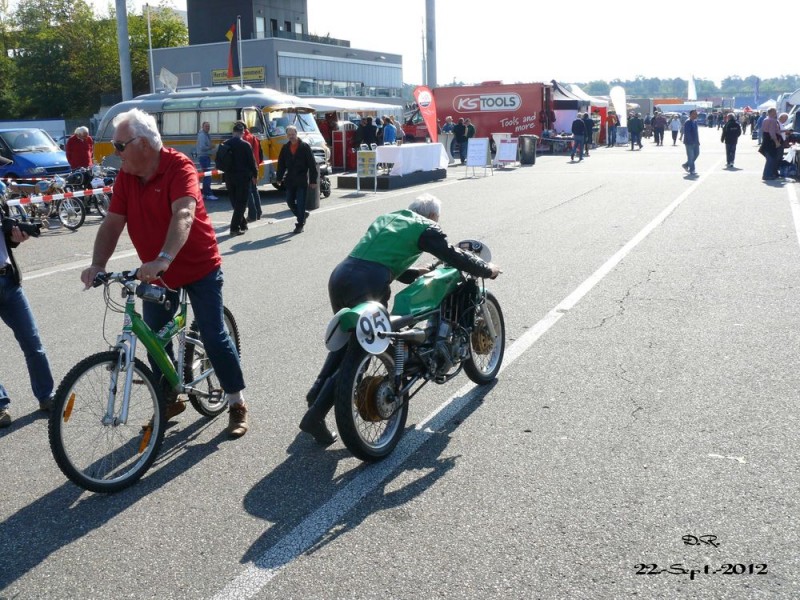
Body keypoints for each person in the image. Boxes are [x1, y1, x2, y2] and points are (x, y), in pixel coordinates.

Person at [79, 108, 249, 437]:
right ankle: (169, 397)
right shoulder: (128, 177)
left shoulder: (178, 167)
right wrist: (98, 264)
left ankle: (236, 402)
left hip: (197, 265)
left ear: (142, 144)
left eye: (118, 146)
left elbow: (184, 213)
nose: (114, 152)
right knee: (154, 336)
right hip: (156, 272)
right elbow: (113, 222)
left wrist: (163, 258)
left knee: (213, 335)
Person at [299, 194, 502, 445]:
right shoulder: (427, 228)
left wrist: (418, 271)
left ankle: (316, 393)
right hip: (368, 284)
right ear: (432, 217)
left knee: (351, 341)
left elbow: (378, 260)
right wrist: (486, 269)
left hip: (341, 277)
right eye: (437, 220)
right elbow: (453, 256)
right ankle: (316, 414)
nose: (438, 224)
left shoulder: (391, 219)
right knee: (365, 348)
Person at [0, 200, 54, 427]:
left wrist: (16, 235)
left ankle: (46, 396)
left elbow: (7, 242)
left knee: (33, 343)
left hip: (7, 281)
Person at [276, 125, 318, 234]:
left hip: (301, 179)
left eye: (293, 134)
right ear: (287, 135)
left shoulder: (304, 147)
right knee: (289, 201)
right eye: (289, 135)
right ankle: (302, 214)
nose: (291, 136)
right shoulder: (285, 148)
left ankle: (300, 224)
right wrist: (279, 178)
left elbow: (312, 164)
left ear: (296, 134)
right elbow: (281, 165)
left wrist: (313, 180)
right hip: (290, 180)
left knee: (301, 203)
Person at [222, 122, 259, 236]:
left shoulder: (225, 144)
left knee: (234, 202)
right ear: (242, 133)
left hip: (229, 177)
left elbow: (220, 161)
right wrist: (255, 175)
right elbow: (252, 162)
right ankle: (234, 228)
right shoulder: (246, 145)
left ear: (233, 132)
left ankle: (242, 223)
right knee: (241, 202)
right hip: (243, 177)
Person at [235, 120, 262, 222]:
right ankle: (258, 212)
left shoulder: (243, 139)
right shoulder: (253, 136)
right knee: (254, 190)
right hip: (255, 166)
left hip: (247, 169)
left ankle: (252, 214)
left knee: (249, 192)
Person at [195, 121, 218, 202]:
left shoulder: (205, 135)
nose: (208, 128)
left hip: (205, 156)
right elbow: (202, 147)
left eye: (208, 126)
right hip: (204, 157)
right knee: (207, 175)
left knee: (207, 175)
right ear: (203, 127)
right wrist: (211, 147)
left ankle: (205, 193)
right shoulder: (202, 135)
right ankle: (208, 194)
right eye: (206, 126)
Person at [759, 107, 782, 181]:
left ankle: (769, 174)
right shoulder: (772, 120)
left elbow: (764, 130)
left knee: (770, 159)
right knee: (771, 159)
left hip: (766, 140)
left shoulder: (766, 119)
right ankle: (767, 175)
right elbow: (772, 132)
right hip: (770, 142)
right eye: (775, 111)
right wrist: (776, 142)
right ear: (771, 112)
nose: (776, 113)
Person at [681, 109, 700, 176]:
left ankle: (686, 165)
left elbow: (696, 133)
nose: (696, 115)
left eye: (696, 113)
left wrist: (697, 141)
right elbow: (687, 133)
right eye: (695, 114)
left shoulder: (695, 122)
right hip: (689, 143)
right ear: (691, 115)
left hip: (695, 142)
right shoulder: (688, 122)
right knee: (691, 156)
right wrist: (691, 141)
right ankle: (692, 170)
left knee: (697, 154)